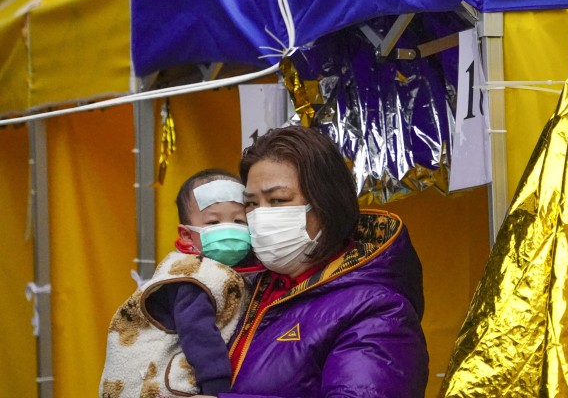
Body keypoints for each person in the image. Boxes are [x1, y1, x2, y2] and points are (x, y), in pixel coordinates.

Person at [214, 125, 429, 398]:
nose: (259, 216)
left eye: (278, 200)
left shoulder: (377, 310)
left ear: (325, 204)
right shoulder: (245, 289)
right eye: (252, 204)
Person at [99, 169, 257, 398]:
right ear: (186, 235)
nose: (228, 228)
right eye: (213, 221)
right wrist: (217, 388)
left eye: (239, 220)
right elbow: (199, 335)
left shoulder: (239, 272)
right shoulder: (193, 277)